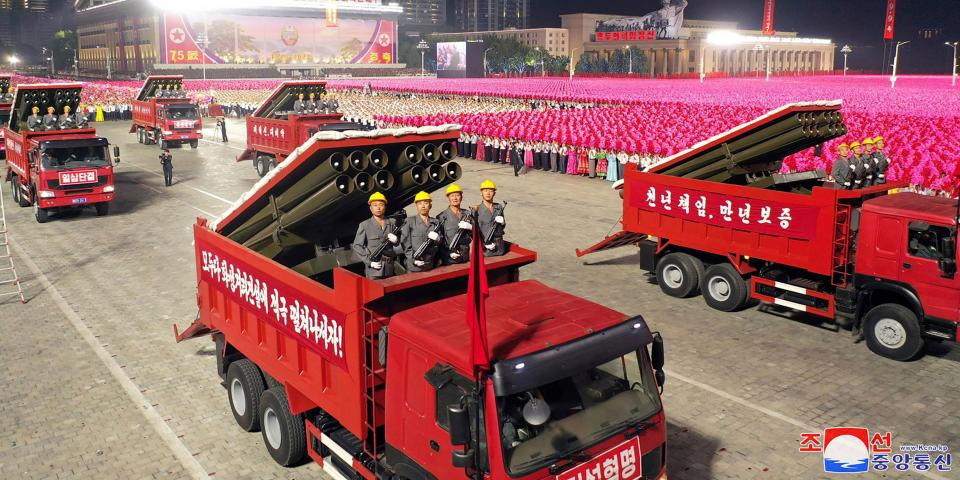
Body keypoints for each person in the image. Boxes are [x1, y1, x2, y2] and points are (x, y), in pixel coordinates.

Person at [352, 192, 401, 280]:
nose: (378, 208)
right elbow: (357, 246)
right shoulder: (365, 225)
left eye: (381, 205)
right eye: (375, 205)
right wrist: (369, 262)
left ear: (385, 207)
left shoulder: (392, 222)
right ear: (371, 208)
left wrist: (396, 240)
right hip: (374, 269)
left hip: (389, 268)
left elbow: (400, 243)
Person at [403, 191, 443, 273]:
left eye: (426, 203)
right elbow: (405, 245)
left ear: (430, 205)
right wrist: (413, 260)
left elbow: (440, 244)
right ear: (416, 206)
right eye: (420, 203)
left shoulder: (435, 222)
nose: (423, 206)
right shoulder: (409, 222)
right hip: (414, 267)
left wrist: (438, 239)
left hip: (430, 265)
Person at [438, 184, 473, 264]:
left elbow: (476, 235)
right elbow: (440, 240)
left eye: (457, 195)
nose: (455, 198)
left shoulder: (468, 214)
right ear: (448, 198)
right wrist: (448, 253)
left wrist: (472, 227)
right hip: (449, 258)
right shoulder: (441, 217)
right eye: (452, 196)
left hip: (466, 256)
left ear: (461, 197)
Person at [475, 180, 506, 257]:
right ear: (481, 193)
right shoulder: (476, 209)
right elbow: (474, 232)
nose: (488, 193)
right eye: (485, 191)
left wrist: (502, 223)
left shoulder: (499, 207)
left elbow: (502, 227)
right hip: (485, 248)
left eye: (491, 191)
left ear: (494, 193)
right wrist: (485, 243)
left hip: (500, 247)